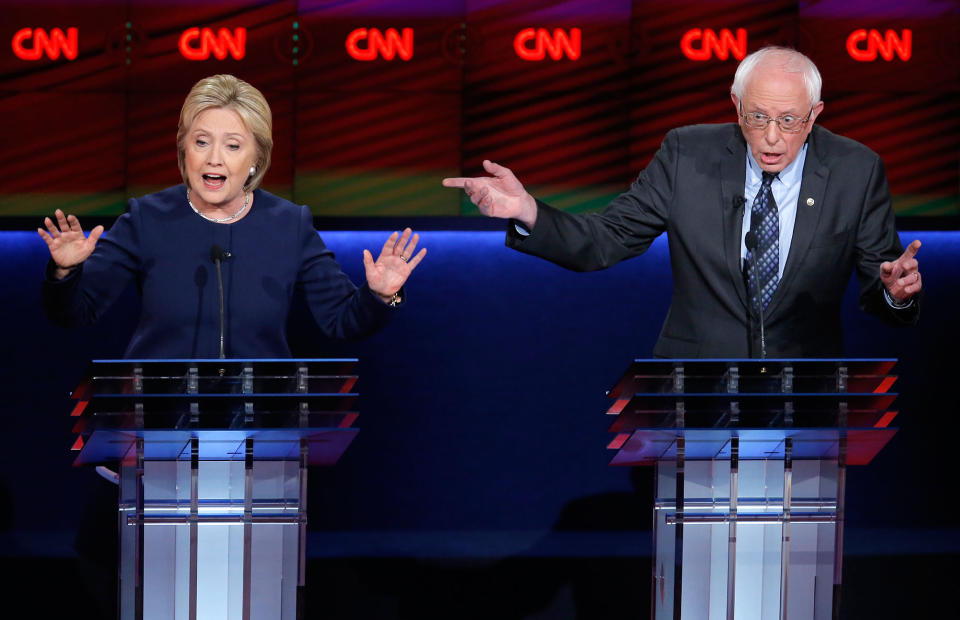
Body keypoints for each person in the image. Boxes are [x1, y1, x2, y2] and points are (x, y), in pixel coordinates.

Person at [443, 46, 921, 358]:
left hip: (806, 393)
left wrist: (895, 296)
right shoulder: (687, 154)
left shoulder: (856, 170)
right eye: (756, 116)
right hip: (698, 390)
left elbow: (879, 286)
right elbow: (605, 240)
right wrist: (528, 210)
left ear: (815, 115)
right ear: (735, 106)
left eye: (790, 120)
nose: (772, 136)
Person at [39, 74, 426, 357]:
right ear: (183, 149)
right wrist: (65, 273)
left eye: (233, 145)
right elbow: (76, 313)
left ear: (256, 157)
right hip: (158, 422)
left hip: (263, 428)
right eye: (201, 141)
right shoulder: (147, 218)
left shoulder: (289, 225)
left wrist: (379, 295)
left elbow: (342, 321)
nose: (214, 158)